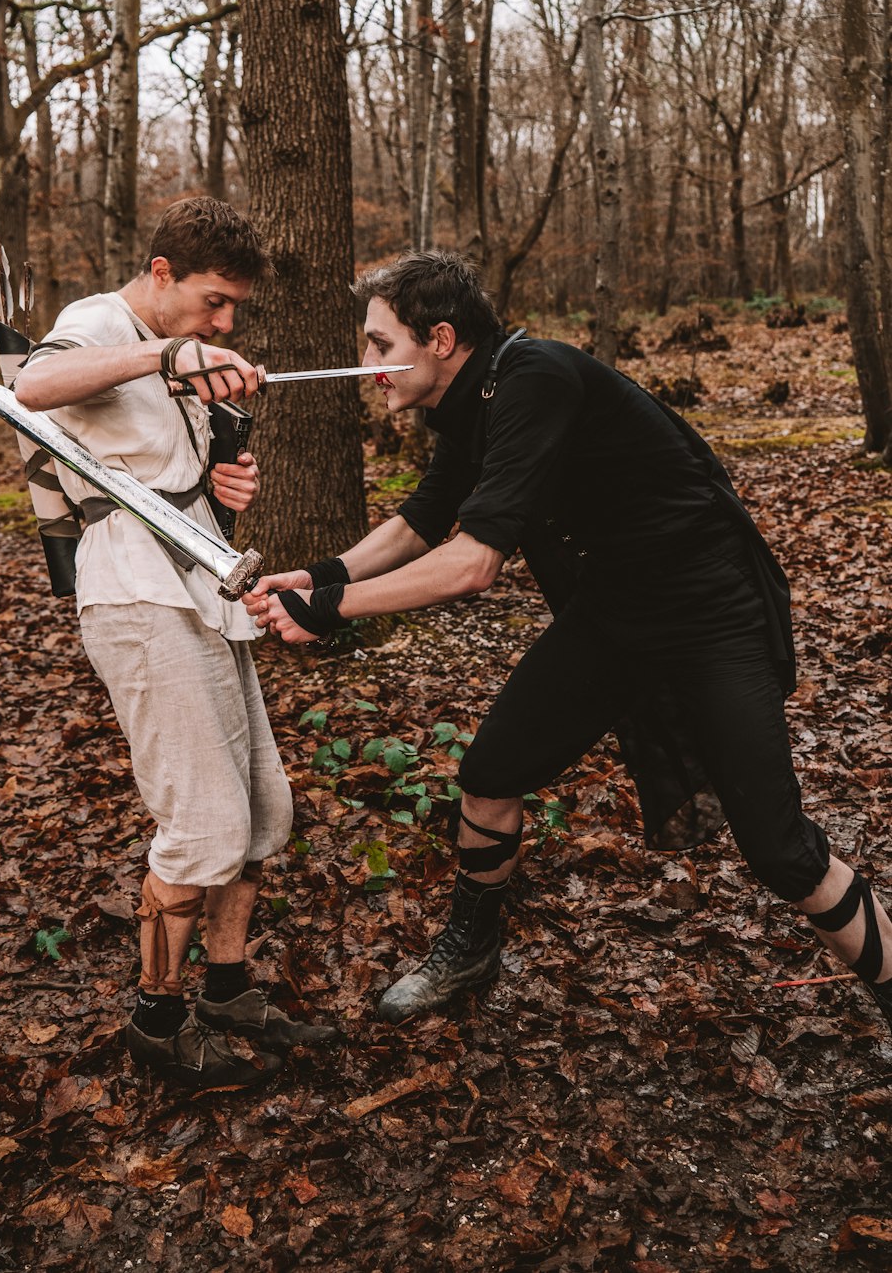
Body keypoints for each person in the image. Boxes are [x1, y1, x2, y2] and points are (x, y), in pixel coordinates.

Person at [244, 249, 892, 1032]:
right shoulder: (468, 402)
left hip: (710, 610)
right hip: (612, 610)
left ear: (441, 339)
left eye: (380, 345)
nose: (366, 364)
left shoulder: (536, 380)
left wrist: (330, 610)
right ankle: (473, 948)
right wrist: (315, 577)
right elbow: (424, 518)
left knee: (779, 848)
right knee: (490, 773)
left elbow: (473, 564)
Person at [15, 196, 337, 1088]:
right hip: (135, 599)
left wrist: (220, 485)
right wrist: (170, 351)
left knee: (264, 813)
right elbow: (31, 391)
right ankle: (156, 1023)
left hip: (204, 588)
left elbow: (164, 474)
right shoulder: (97, 323)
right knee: (201, 825)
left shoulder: (183, 349)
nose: (223, 321)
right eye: (211, 302)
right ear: (161, 275)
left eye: (233, 308)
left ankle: (227, 990)